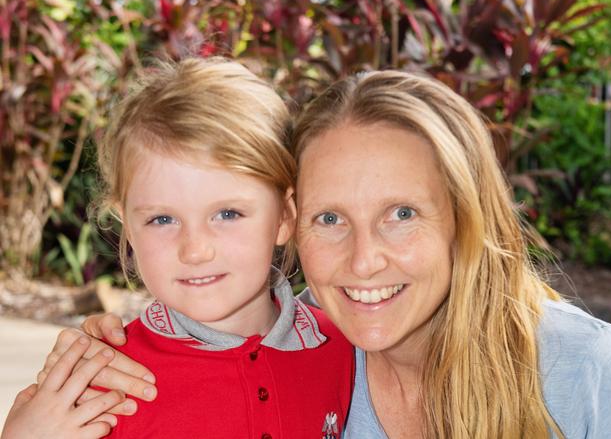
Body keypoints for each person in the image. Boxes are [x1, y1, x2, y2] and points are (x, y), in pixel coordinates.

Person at [17, 70, 611, 438]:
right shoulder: (335, 350)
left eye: (402, 214)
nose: (365, 260)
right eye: (332, 218)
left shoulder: (577, 370)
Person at [1, 57, 354, 439]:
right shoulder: (103, 383)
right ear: (128, 226)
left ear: (285, 216)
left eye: (228, 213)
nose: (195, 250)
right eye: (163, 220)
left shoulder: (345, 347)